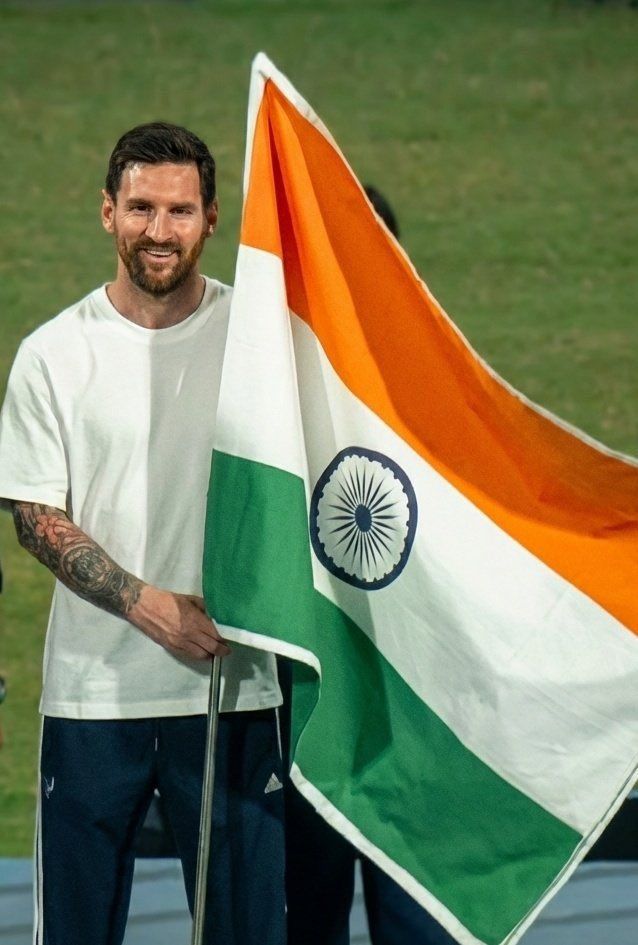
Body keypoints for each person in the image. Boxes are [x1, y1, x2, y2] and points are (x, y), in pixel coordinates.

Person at [0, 122, 285, 945]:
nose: (159, 230)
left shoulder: (260, 343)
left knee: (246, 933)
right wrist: (150, 606)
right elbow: (36, 516)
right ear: (107, 212)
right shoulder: (53, 354)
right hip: (93, 698)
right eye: (141, 208)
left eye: (180, 210)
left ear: (212, 218)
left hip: (233, 692)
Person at [281, 186, 457, 945]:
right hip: (301, 708)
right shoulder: (264, 393)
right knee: (300, 919)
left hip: (412, 715)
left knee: (419, 925)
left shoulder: (444, 394)